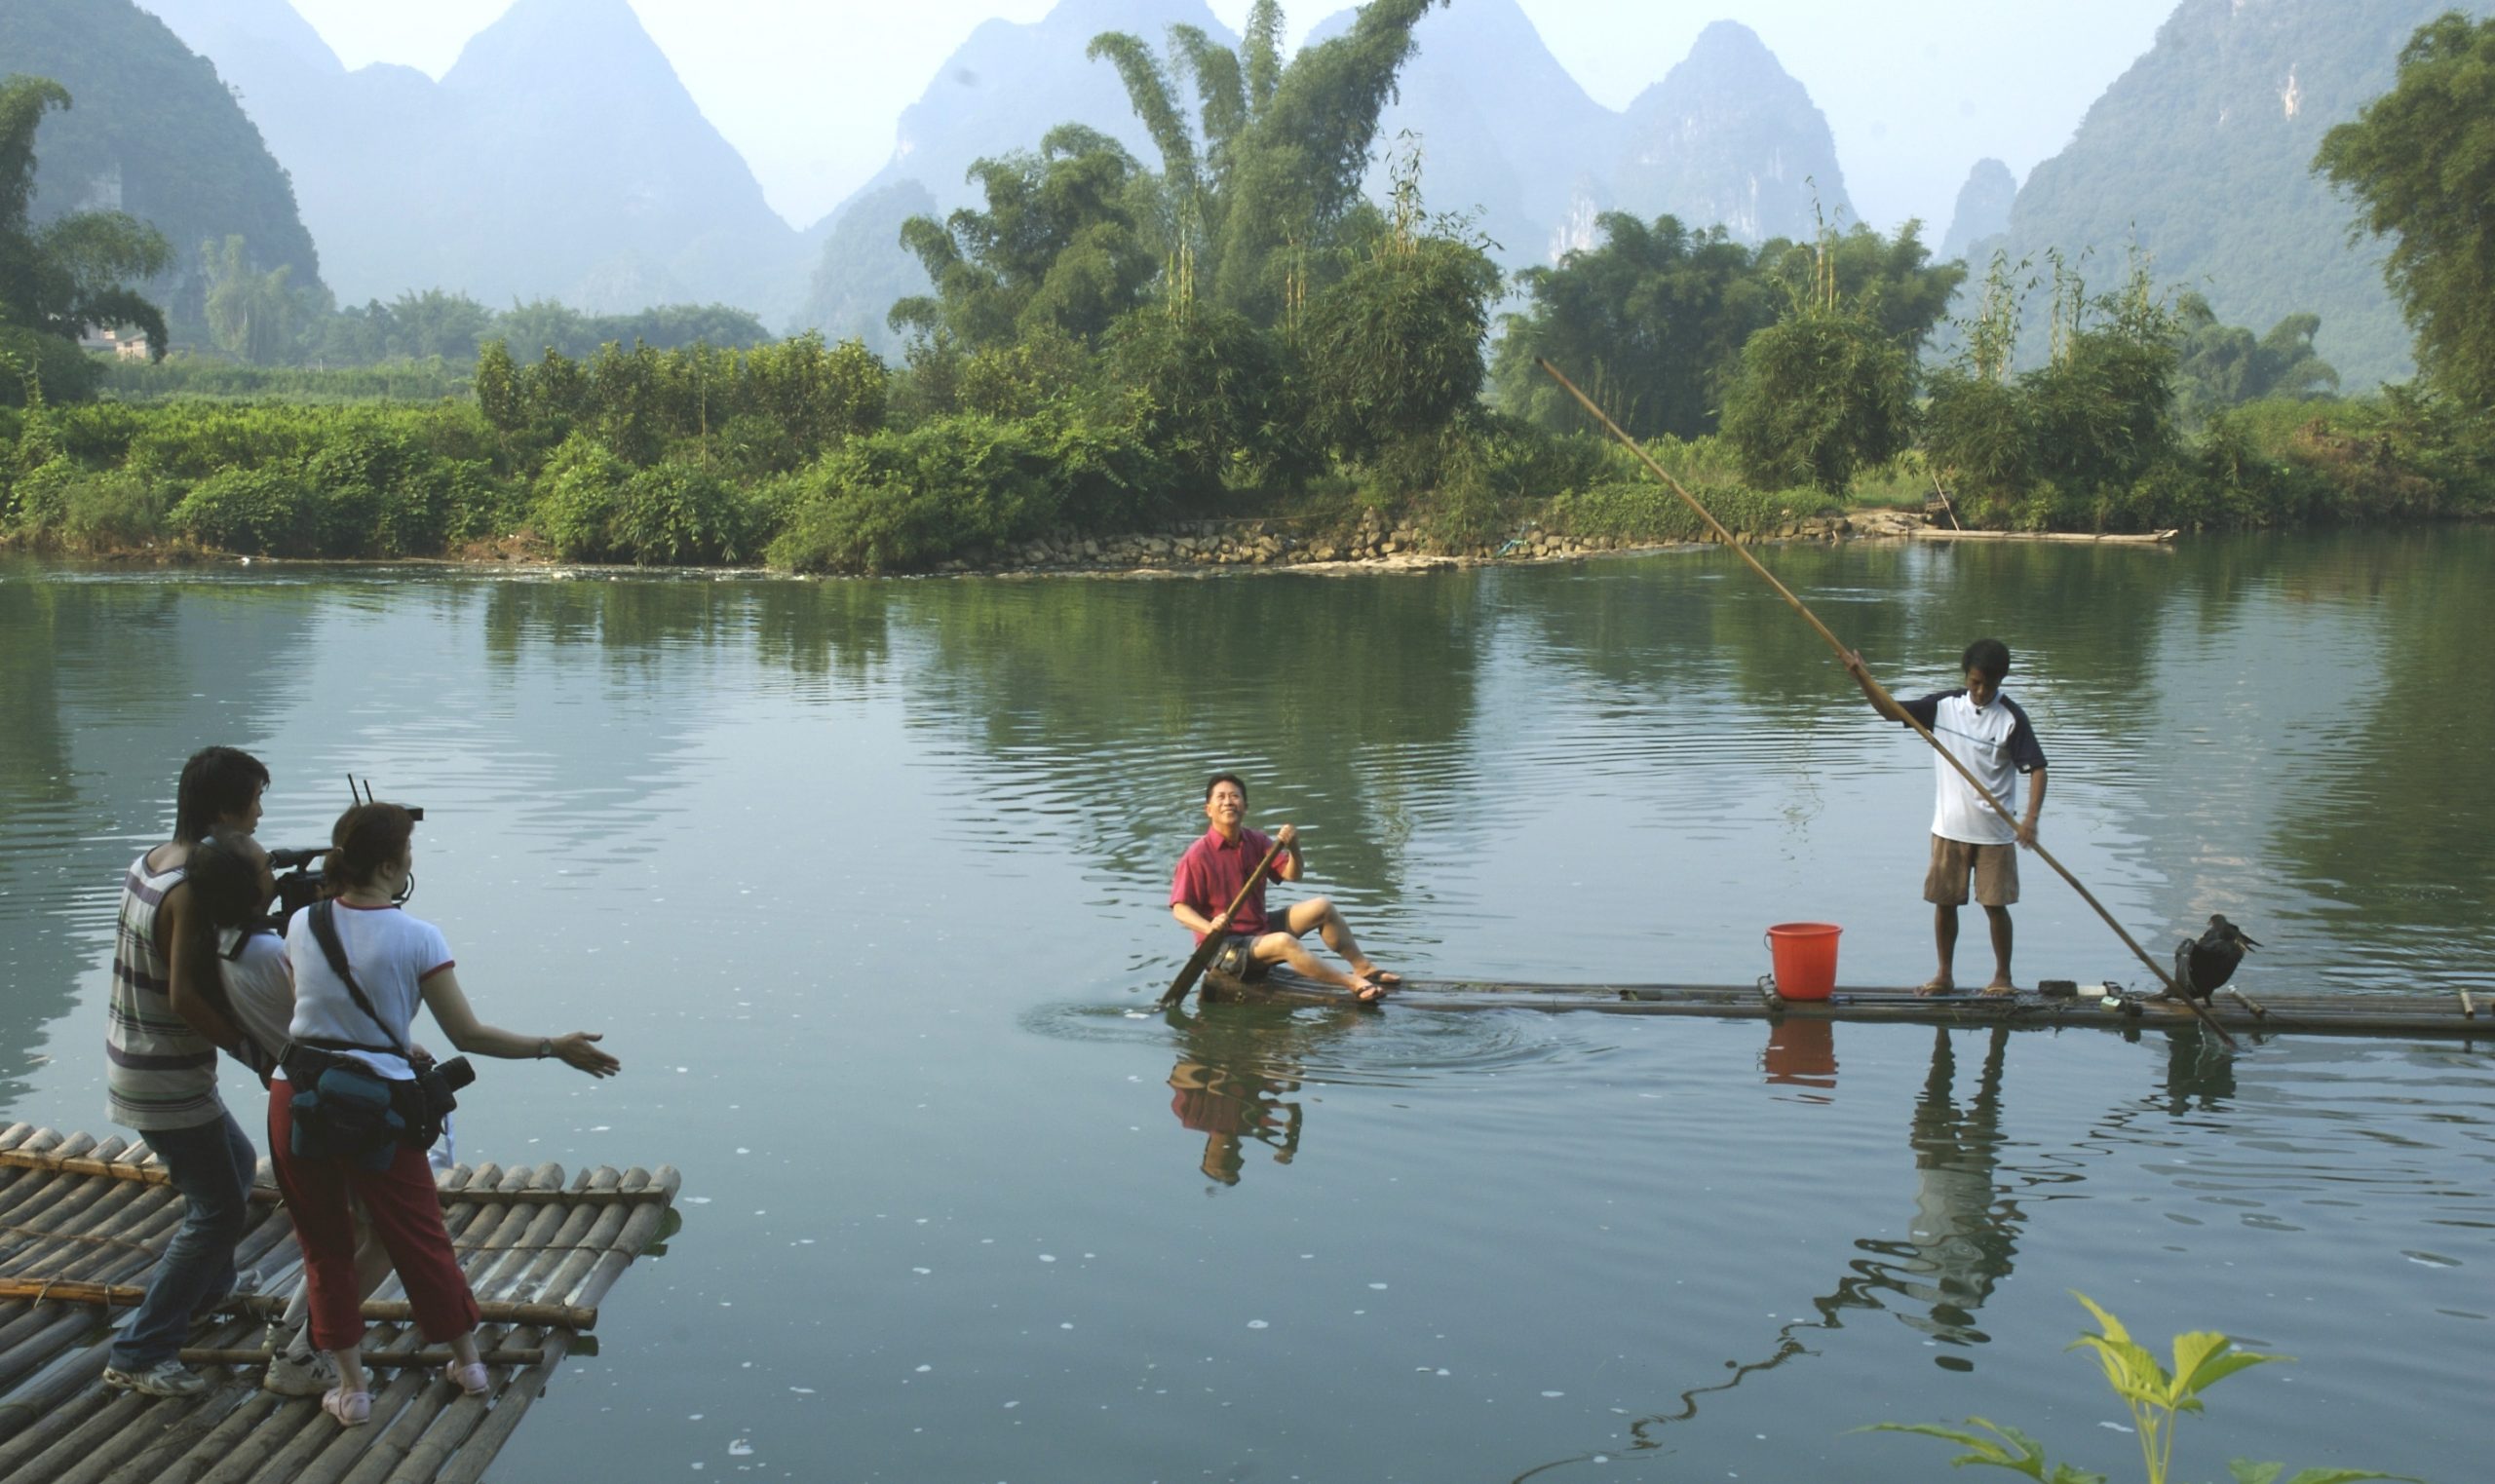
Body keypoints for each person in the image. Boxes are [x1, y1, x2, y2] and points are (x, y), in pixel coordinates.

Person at [272, 801, 619, 1427]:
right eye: (408, 850)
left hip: (299, 1094)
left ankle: (351, 1392)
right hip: (380, 1104)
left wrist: (381, 1036)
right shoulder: (418, 936)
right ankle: (469, 1363)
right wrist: (552, 1047)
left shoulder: (301, 922)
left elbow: (314, 1010)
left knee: (325, 1247)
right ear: (388, 864)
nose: (412, 859)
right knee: (419, 1237)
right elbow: (469, 1034)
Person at [186, 828, 448, 1400]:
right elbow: (339, 1010)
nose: (277, 874)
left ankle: (298, 1339)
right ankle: (303, 1347)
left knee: (337, 1238)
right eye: (265, 869)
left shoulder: (231, 941)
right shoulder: (269, 949)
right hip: (342, 1106)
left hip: (308, 1099)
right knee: (371, 1239)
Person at [100, 746, 270, 1398]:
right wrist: (253, 1050)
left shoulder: (152, 861)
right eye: (254, 800)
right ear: (226, 809)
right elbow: (186, 997)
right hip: (163, 1074)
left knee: (237, 1159)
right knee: (218, 1210)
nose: (259, 814)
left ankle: (211, 1288)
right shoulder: (192, 890)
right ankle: (141, 1349)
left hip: (137, 1058)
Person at [1843, 639, 2048, 996]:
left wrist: (2030, 820)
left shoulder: (2011, 718)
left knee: (1995, 906)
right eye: (1975, 682)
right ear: (1967, 676)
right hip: (1949, 829)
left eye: (1989, 684)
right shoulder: (1944, 707)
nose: (1981, 691)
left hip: (1996, 833)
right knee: (1945, 903)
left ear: (2001, 681)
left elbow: (2038, 769)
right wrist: (1864, 679)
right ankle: (1944, 975)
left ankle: (2002, 978)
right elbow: (1890, 711)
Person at [1170, 774, 1399, 1003]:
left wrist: (1294, 847)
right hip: (1224, 947)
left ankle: (1363, 968)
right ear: (1208, 809)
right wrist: (1210, 926)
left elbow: (1292, 874)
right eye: (1221, 797)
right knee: (1283, 942)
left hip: (1259, 930)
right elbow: (1180, 908)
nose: (1228, 802)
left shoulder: (1256, 840)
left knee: (1322, 907)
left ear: (1245, 807)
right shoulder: (1196, 855)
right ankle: (1352, 983)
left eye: (1234, 796)